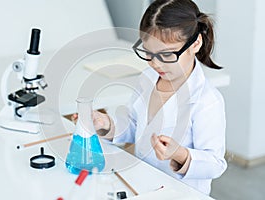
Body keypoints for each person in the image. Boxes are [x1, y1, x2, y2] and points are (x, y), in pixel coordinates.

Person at [73, 0, 227, 195]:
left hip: (180, 194)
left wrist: (180, 154)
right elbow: (135, 126)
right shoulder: (149, 77)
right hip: (141, 185)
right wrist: (107, 124)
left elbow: (216, 164)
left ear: (195, 43)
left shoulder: (207, 101)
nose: (155, 64)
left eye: (166, 55)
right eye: (149, 53)